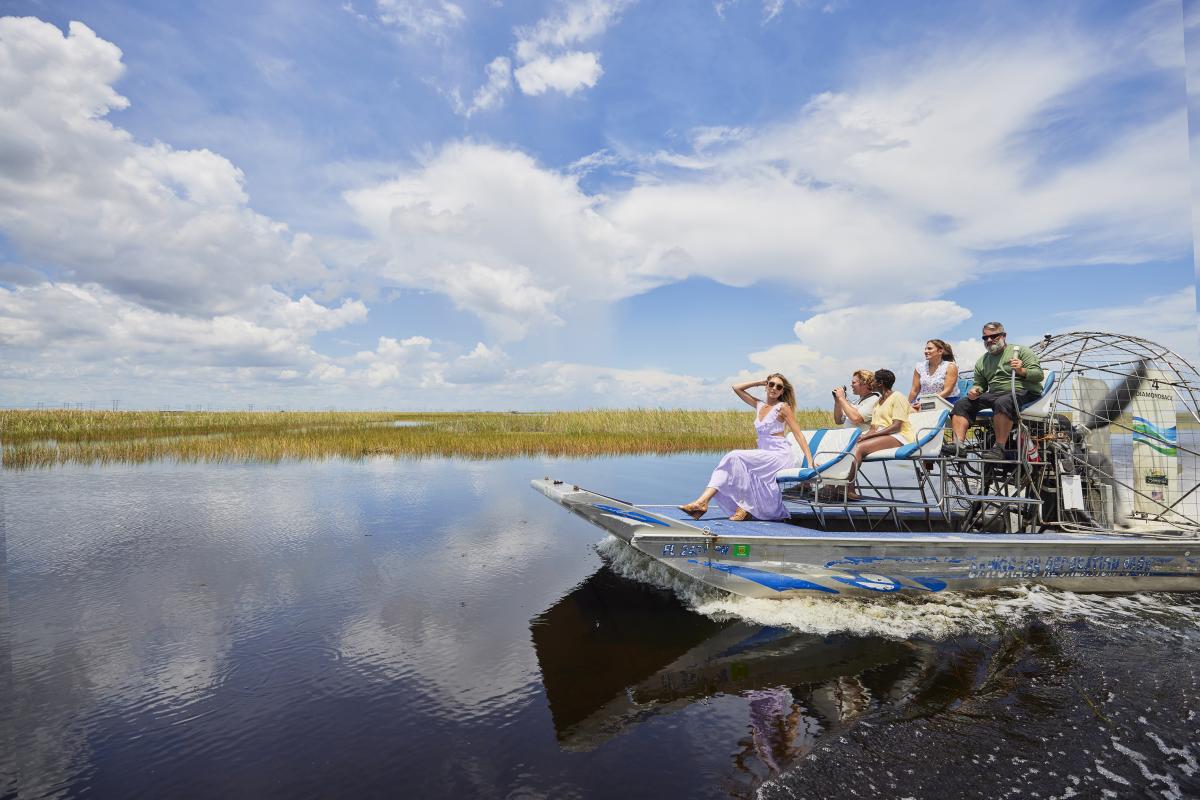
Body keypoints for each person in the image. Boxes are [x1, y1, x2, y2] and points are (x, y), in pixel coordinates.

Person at [680, 374, 815, 521]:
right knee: (729, 463)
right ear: (766, 386)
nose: (774, 388)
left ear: (782, 391)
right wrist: (759, 381)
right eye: (771, 384)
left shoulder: (782, 408)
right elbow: (736, 388)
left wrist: (810, 462)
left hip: (780, 455)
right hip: (765, 453)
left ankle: (737, 506)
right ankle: (703, 503)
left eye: (779, 387)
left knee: (734, 456)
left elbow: (798, 435)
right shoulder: (759, 405)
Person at [949, 321, 1044, 459]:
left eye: (993, 336)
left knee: (1003, 401)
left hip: (1023, 391)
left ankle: (999, 448)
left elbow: (1039, 375)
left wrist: (1021, 370)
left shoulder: (1021, 351)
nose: (989, 340)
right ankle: (958, 446)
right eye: (985, 338)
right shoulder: (982, 361)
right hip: (995, 394)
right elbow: (980, 384)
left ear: (1004, 335)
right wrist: (976, 390)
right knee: (961, 404)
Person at [846, 369, 913, 500]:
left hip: (900, 436)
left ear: (880, 383)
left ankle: (848, 488)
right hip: (883, 435)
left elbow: (896, 426)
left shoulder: (898, 397)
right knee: (850, 446)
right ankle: (834, 486)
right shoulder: (878, 401)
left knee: (859, 448)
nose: (872, 382)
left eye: (874, 380)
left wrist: (869, 436)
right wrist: (863, 436)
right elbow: (873, 428)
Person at [908, 339, 959, 409]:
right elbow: (914, 390)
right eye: (925, 349)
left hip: (945, 401)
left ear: (940, 351)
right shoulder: (919, 367)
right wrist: (908, 404)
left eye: (929, 349)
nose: (925, 351)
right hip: (923, 401)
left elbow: (947, 391)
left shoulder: (950, 367)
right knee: (906, 411)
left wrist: (926, 402)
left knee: (917, 411)